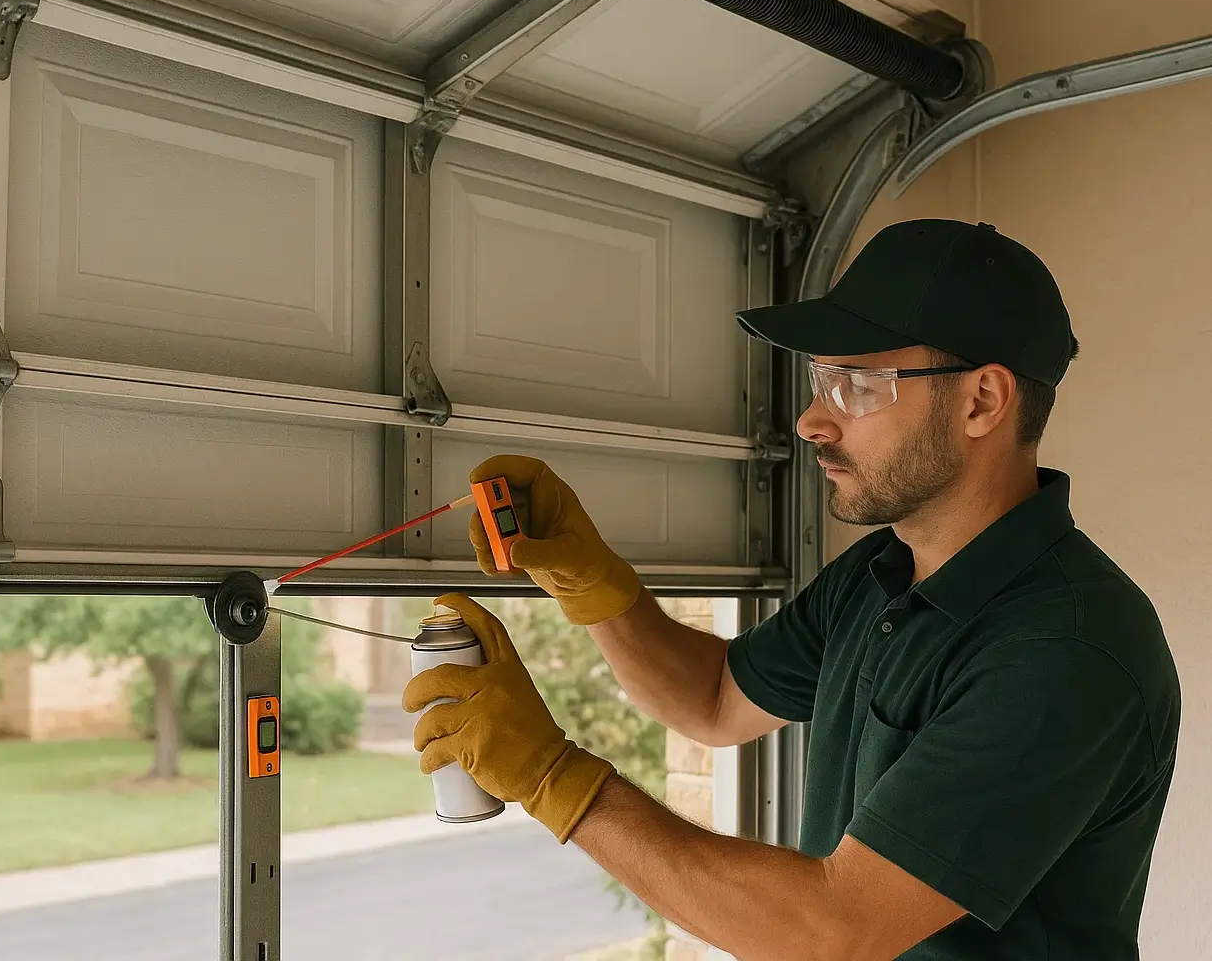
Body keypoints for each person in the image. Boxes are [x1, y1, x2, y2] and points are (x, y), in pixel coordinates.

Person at [403, 219, 1180, 960]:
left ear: (982, 400)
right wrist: (595, 582)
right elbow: (713, 698)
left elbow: (832, 934)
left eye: (856, 384)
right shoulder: (877, 575)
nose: (811, 420)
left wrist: (553, 777)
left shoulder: (1066, 649)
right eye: (820, 380)